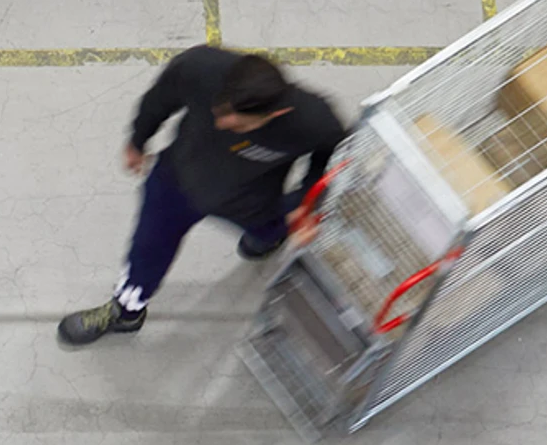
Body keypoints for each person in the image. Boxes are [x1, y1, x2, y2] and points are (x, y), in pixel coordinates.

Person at [58, 47, 344, 346]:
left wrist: (304, 205)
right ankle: (126, 311)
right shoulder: (200, 68)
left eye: (239, 125)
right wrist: (138, 139)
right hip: (177, 183)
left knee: (274, 226)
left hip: (252, 198)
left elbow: (332, 158)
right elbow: (160, 99)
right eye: (220, 112)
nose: (221, 124)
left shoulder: (315, 121)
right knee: (146, 251)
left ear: (278, 112)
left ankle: (266, 239)